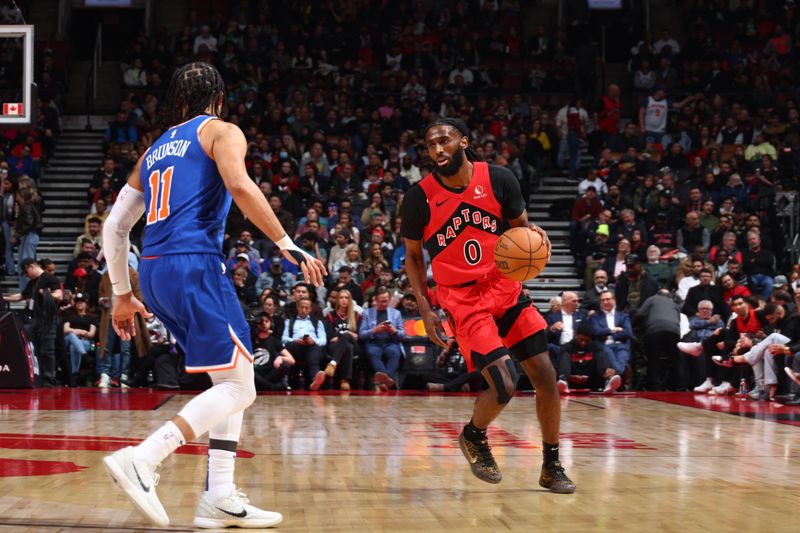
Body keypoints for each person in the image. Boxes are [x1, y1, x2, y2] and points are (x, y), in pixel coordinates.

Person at [100, 62, 325, 529]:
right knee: (241, 386)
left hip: (156, 273)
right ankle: (144, 458)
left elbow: (114, 227)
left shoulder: (155, 149)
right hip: (193, 263)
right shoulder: (221, 131)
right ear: (219, 99)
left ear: (177, 101)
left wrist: (123, 292)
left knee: (231, 379)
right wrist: (287, 243)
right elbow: (240, 186)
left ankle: (218, 496)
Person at [400, 117, 575, 493]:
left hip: (504, 286)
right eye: (430, 145)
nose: (437, 150)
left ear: (464, 141)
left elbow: (521, 231)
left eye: (444, 141)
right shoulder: (419, 198)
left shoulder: (499, 179)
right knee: (504, 383)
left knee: (545, 376)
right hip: (463, 299)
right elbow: (413, 258)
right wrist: (427, 309)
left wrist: (535, 239)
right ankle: (474, 435)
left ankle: (551, 465)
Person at [2, 258, 63, 386]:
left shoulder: (49, 278)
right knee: (34, 349)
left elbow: (59, 295)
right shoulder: (33, 283)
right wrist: (3, 298)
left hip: (48, 319)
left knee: (47, 350)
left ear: (31, 266)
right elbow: (20, 296)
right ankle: (38, 377)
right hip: (36, 318)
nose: (26, 276)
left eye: (26, 272)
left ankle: (48, 379)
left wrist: (45, 294)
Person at [556, 323, 622, 394]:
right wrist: (570, 377)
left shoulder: (596, 347)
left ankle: (609, 380)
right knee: (565, 355)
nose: (583, 343)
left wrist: (608, 369)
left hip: (592, 380)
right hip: (571, 381)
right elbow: (558, 367)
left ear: (590, 338)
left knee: (601, 354)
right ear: (576, 335)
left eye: (586, 340)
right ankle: (563, 381)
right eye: (581, 339)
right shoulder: (566, 347)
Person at [323, 288, 360, 391]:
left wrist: (340, 335)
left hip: (355, 344)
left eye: (346, 298)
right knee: (348, 346)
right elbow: (329, 336)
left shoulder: (356, 315)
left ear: (350, 300)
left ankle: (333, 363)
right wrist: (348, 334)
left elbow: (358, 335)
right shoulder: (330, 315)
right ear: (337, 300)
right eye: (341, 297)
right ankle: (345, 380)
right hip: (335, 346)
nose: (344, 300)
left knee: (347, 337)